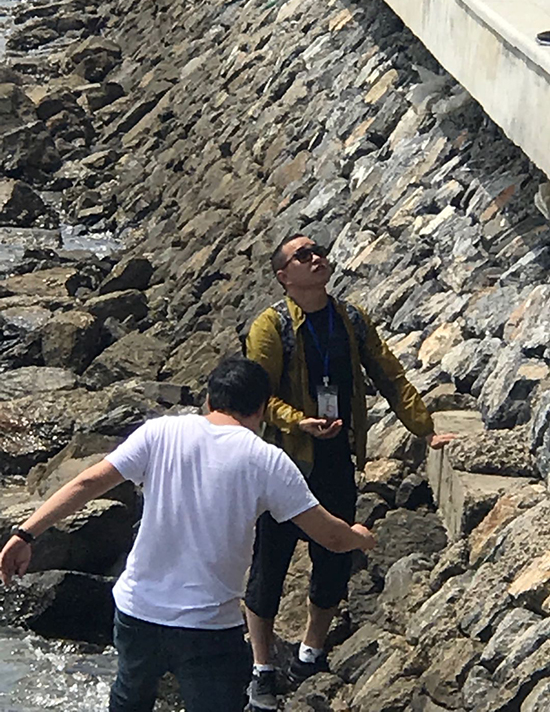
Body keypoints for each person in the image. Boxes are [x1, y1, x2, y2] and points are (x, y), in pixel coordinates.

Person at [0, 356, 376, 712]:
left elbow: (87, 483)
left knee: (128, 699)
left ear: (208, 400)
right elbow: (331, 538)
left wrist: (25, 534)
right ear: (261, 410)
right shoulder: (267, 461)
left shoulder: (160, 432)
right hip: (208, 627)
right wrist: (360, 535)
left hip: (138, 613)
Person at [244, 234, 455, 711]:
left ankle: (311, 651)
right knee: (270, 562)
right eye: (303, 255)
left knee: (334, 556)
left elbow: (389, 375)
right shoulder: (270, 326)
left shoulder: (351, 319)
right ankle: (262, 667)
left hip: (336, 458)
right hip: (285, 464)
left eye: (317, 250)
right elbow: (258, 397)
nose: (316, 258)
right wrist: (299, 421)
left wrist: (425, 430)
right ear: (284, 276)